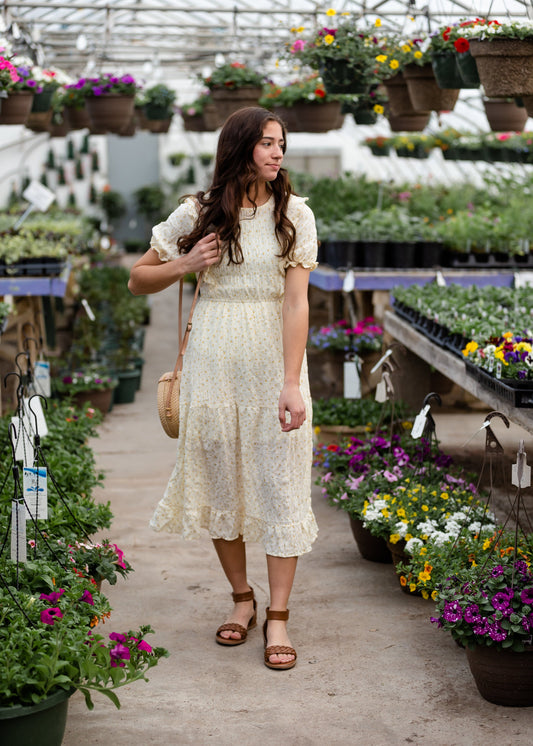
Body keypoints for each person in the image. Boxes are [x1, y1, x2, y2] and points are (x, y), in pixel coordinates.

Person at [128, 106, 318, 670]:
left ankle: (278, 616)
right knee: (221, 479)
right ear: (239, 147)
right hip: (212, 361)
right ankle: (242, 600)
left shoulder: (295, 215)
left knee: (280, 479)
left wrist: (290, 381)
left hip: (271, 362)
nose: (277, 152)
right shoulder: (197, 212)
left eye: (281, 143)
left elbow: (296, 301)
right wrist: (186, 261)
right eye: (266, 143)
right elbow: (138, 279)